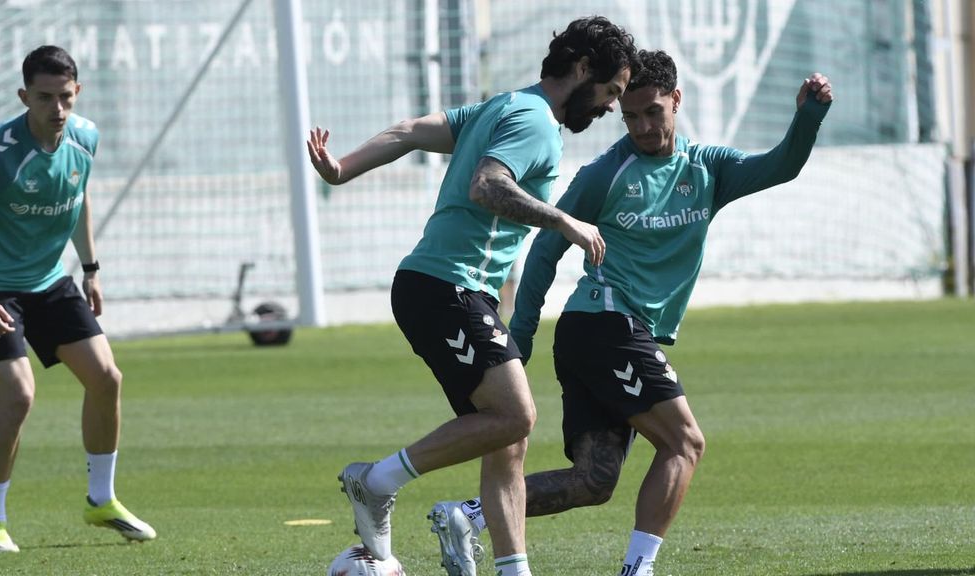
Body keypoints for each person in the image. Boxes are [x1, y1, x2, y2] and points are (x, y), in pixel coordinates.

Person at [431, 50, 833, 576]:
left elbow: (782, 165)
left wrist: (807, 117)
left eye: (654, 113)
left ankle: (468, 515)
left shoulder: (707, 168)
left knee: (593, 482)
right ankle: (637, 572)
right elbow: (546, 250)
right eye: (632, 116)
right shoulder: (605, 173)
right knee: (685, 442)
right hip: (603, 326)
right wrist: (521, 335)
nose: (643, 126)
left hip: (609, 335)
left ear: (676, 102)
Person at [307, 17, 638, 576]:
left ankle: (513, 569)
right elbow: (486, 185)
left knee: (506, 443)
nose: (609, 107)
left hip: (450, 289)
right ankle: (377, 480)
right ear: (583, 70)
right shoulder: (535, 122)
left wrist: (343, 170)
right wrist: (565, 222)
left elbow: (411, 130)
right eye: (611, 92)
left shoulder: (503, 106)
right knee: (517, 416)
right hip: (448, 287)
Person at [0, 45, 156, 552]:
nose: (56, 108)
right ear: (24, 96)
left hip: (50, 281)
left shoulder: (85, 138)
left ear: (77, 93)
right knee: (18, 397)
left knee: (107, 377)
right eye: (44, 97)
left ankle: (100, 500)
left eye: (64, 96)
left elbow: (79, 195)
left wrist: (90, 268)